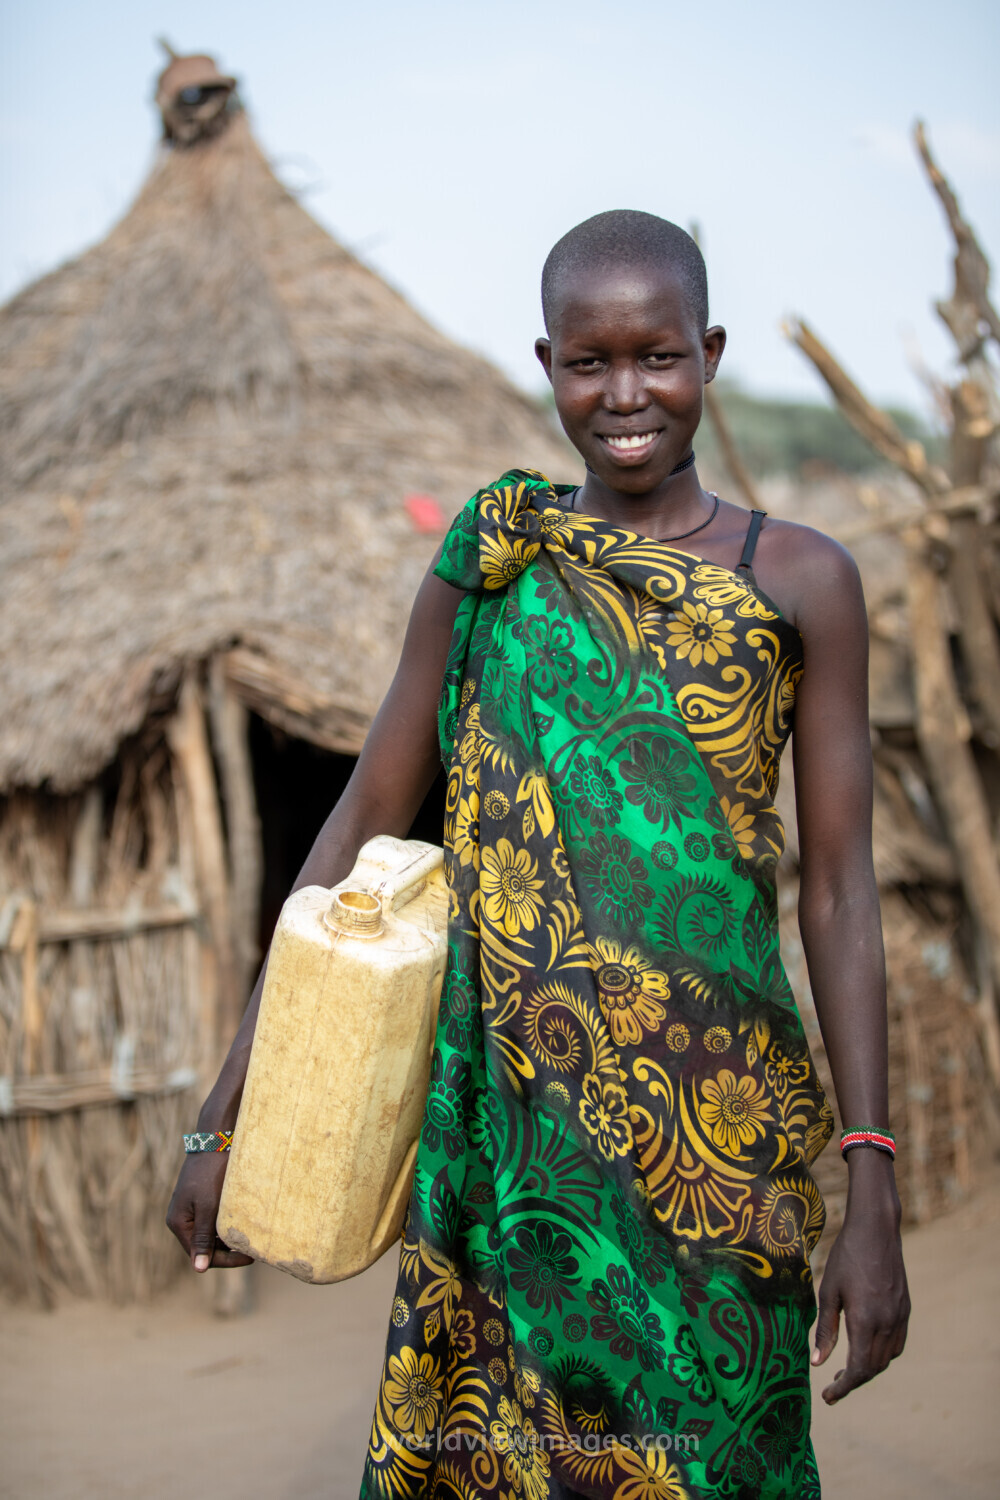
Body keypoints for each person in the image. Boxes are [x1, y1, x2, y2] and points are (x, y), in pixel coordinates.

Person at [168, 210, 909, 1498]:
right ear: (547, 363)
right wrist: (235, 1097)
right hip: (513, 1150)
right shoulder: (493, 566)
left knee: (719, 1463)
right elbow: (362, 823)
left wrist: (875, 1184)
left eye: (659, 357)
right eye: (590, 362)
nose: (627, 396)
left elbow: (842, 893)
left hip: (723, 1159)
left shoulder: (801, 579)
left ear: (711, 353)